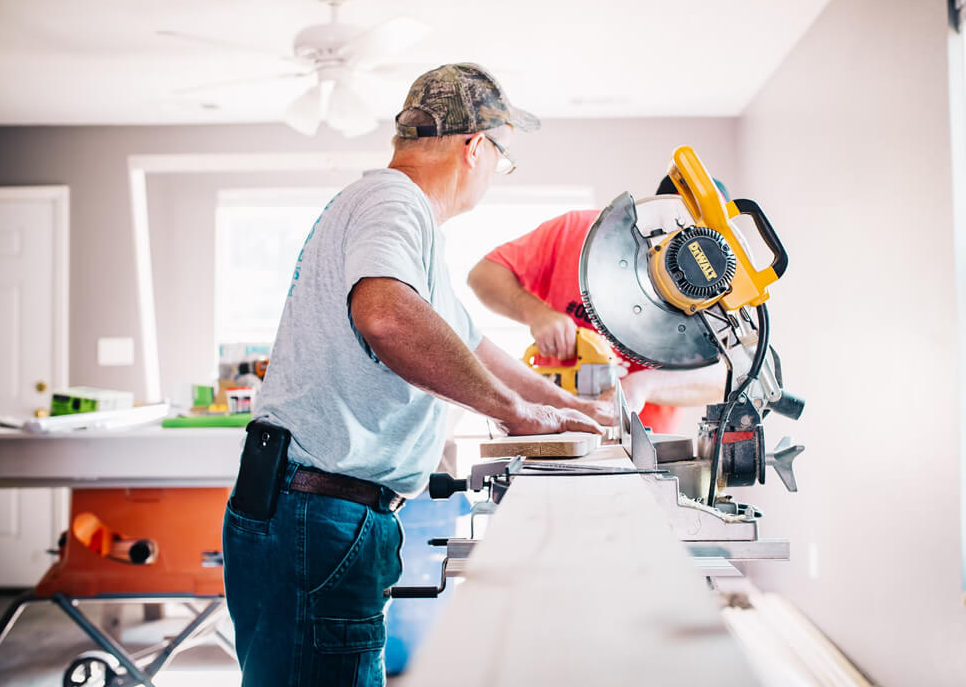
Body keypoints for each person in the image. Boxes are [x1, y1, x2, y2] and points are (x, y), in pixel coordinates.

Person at [222, 63, 616, 687]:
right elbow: (385, 317)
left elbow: (476, 346)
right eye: (501, 159)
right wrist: (517, 414)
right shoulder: (392, 200)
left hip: (312, 508)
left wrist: (572, 413)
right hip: (318, 513)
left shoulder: (401, 223)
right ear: (475, 147)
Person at [467, 176, 731, 435]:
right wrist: (536, 313)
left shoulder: (712, 289)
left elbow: (726, 377)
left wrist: (643, 385)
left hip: (642, 445)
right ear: (654, 208)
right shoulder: (577, 231)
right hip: (550, 427)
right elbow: (484, 275)